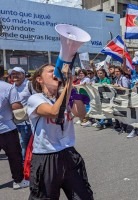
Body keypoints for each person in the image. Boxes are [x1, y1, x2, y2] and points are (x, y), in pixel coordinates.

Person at [27, 64, 93, 199]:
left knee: (83, 196)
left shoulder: (66, 95)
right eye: (51, 71)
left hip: (69, 153)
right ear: (40, 79)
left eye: (57, 71)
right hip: (46, 157)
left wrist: (73, 92)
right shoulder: (35, 99)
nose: (56, 74)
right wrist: (68, 84)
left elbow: (81, 114)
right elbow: (54, 112)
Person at [0, 65, 29, 189]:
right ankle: (18, 180)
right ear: (4, 74)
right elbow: (16, 107)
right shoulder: (8, 87)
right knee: (14, 156)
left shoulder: (27, 85)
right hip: (7, 127)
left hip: (10, 126)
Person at [11, 67, 33, 159]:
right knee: (17, 143)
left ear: (23, 75)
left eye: (18, 73)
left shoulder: (30, 85)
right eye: (13, 74)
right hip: (14, 120)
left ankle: (24, 163)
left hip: (26, 121)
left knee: (24, 142)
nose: (15, 76)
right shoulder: (12, 86)